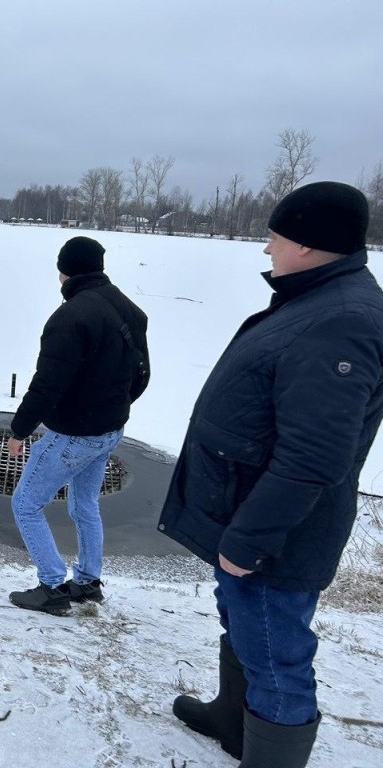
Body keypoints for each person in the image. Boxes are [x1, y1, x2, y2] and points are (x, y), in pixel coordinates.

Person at [160, 182, 383, 768]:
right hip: (251, 513)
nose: (267, 250)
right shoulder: (321, 300)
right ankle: (232, 719)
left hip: (277, 534)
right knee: (243, 618)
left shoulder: (341, 320)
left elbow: (315, 455)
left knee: (276, 653)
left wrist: (250, 540)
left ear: (308, 246)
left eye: (275, 238)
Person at [6, 236, 149, 614]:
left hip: (75, 433)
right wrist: (114, 408)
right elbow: (142, 373)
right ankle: (87, 582)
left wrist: (19, 430)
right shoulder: (128, 309)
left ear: (64, 271)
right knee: (84, 503)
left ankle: (52, 586)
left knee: (25, 504)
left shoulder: (70, 317)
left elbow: (47, 385)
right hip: (109, 430)